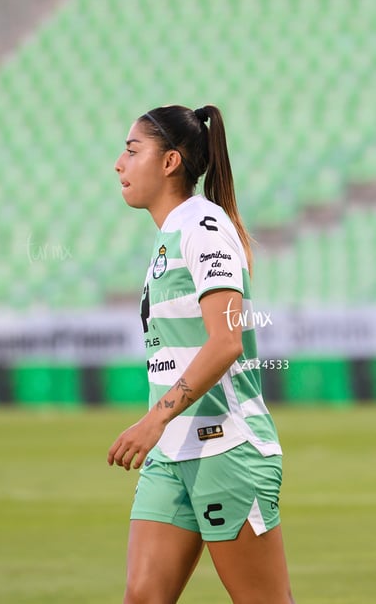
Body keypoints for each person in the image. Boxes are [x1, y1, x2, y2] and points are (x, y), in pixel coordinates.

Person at [109, 104, 295, 604]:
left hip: (227, 448)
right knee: (143, 598)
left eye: (131, 151)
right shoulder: (168, 236)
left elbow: (226, 341)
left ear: (170, 162)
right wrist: (161, 429)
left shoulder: (204, 228)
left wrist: (155, 419)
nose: (118, 164)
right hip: (171, 455)